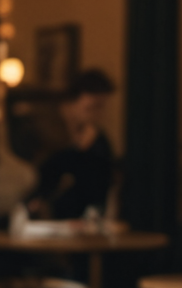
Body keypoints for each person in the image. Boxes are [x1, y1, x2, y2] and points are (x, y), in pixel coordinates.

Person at [29, 69, 117, 221]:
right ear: (73, 99)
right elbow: (44, 168)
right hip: (42, 206)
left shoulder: (96, 138)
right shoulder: (44, 125)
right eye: (92, 107)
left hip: (80, 215)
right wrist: (79, 149)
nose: (97, 114)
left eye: (101, 107)